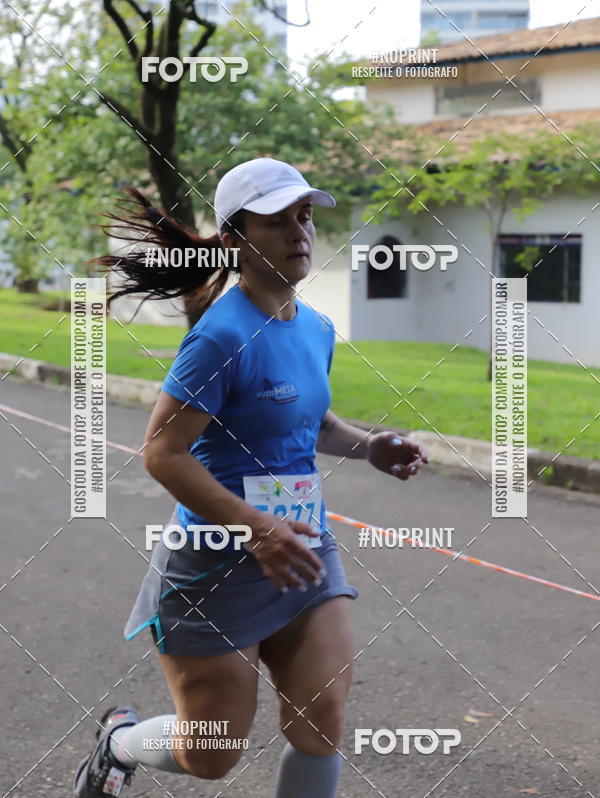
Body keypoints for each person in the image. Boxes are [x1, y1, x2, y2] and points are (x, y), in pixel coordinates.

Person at [73, 157, 428, 798]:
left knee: (322, 723)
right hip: (216, 566)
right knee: (212, 753)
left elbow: (312, 425)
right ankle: (117, 744)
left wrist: (371, 445)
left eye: (305, 216)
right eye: (279, 221)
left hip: (302, 551)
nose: (300, 232)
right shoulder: (219, 338)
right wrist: (255, 526)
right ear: (237, 238)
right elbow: (161, 451)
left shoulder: (314, 326)